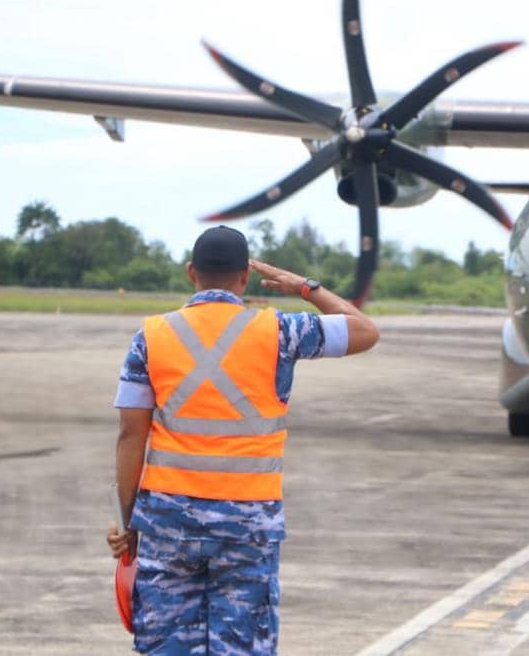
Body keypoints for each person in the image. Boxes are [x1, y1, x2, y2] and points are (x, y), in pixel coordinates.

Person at [105, 225, 379, 655]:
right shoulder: (280, 331)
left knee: (166, 647)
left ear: (191, 273)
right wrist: (304, 287)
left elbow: (130, 434)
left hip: (168, 522)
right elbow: (365, 330)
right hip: (248, 525)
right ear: (245, 277)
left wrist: (128, 524)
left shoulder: (151, 337)